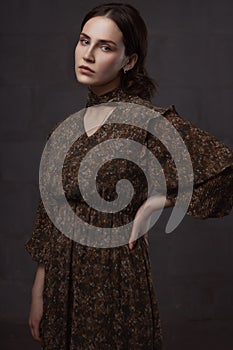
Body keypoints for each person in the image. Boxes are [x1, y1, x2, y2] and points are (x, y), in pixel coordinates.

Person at [25, 3, 233, 350]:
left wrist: (157, 203)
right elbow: (50, 217)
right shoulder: (63, 130)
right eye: (83, 41)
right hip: (61, 278)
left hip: (114, 275)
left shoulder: (147, 121)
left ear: (129, 60)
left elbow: (226, 172)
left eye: (105, 47)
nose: (88, 54)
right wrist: (38, 292)